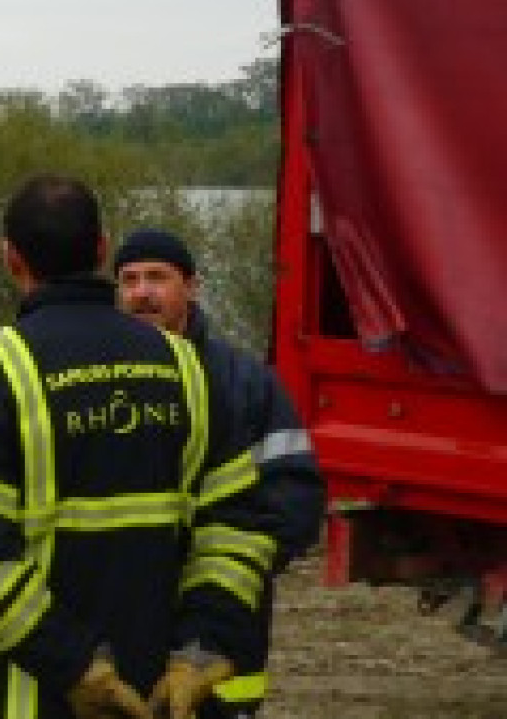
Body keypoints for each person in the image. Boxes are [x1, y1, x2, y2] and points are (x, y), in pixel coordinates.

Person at [0, 175, 279, 719]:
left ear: (10, 258)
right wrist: (201, 647)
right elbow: (236, 529)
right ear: (102, 249)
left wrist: (75, 666)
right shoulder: (186, 367)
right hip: (170, 691)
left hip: (31, 695)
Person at [113, 227, 327, 719]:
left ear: (192, 286)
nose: (141, 293)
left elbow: (295, 500)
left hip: (226, 627)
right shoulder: (101, 384)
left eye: (157, 278)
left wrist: (232, 574)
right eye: (129, 280)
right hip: (128, 616)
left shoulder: (245, 382)